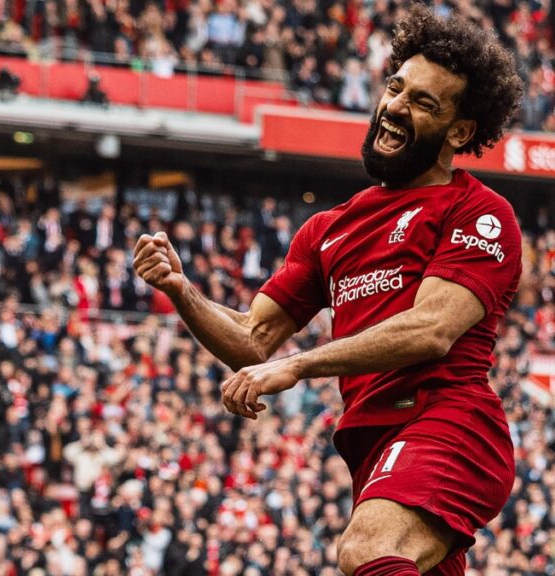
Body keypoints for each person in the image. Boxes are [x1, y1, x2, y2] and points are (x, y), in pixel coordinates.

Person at [132, 6, 524, 576]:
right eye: (396, 88)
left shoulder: (481, 212)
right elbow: (250, 338)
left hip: (450, 426)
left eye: (423, 102)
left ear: (460, 131)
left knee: (368, 550)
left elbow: (431, 329)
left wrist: (297, 367)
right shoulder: (329, 229)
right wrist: (181, 289)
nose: (395, 107)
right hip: (375, 450)